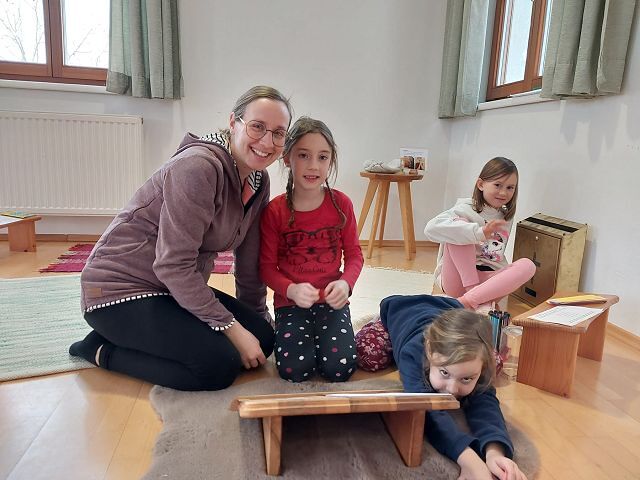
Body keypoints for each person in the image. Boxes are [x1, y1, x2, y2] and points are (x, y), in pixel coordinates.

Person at [69, 85, 293, 391]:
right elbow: (173, 265)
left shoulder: (257, 179)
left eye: (278, 133)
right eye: (257, 127)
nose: (267, 142)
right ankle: (99, 348)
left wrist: (255, 320)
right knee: (217, 366)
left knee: (263, 340)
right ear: (233, 122)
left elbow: (249, 259)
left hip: (173, 291)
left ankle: (144, 337)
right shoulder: (197, 167)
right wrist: (231, 327)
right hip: (118, 292)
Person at [259, 117, 363, 382]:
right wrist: (290, 289)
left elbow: (354, 255)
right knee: (294, 370)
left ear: (331, 161)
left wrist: (345, 284)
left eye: (322, 157)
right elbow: (267, 268)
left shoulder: (341, 204)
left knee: (340, 369)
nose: (313, 165)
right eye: (304, 155)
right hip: (291, 304)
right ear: (287, 158)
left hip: (332, 302)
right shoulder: (275, 211)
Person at [380, 294, 528, 480]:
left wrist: (495, 452)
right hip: (399, 307)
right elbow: (425, 411)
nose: (451, 389)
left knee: (495, 362)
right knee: (371, 353)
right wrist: (468, 459)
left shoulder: (480, 360)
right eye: (444, 373)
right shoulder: (412, 354)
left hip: (450, 306)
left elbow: (486, 403)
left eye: (466, 379)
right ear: (429, 353)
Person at [424, 157, 535, 311]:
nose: (503, 192)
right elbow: (430, 229)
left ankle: (467, 302)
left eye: (510, 187)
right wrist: (479, 232)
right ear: (481, 184)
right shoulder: (464, 208)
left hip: (487, 283)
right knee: (460, 226)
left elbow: (494, 255)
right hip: (459, 281)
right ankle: (472, 295)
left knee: (528, 265)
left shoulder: (506, 216)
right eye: (497, 185)